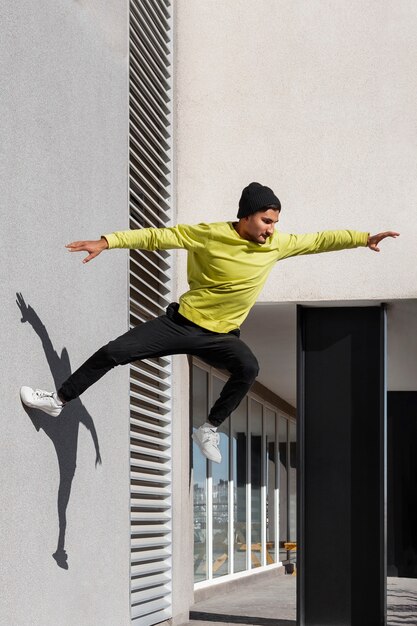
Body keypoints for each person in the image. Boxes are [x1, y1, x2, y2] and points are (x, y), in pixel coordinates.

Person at [20, 182, 399, 463]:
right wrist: (108, 241)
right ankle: (58, 400)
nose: (271, 229)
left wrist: (363, 238)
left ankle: (208, 429)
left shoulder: (277, 245)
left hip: (221, 337)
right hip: (181, 324)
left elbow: (318, 240)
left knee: (248, 365)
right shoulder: (209, 235)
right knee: (115, 351)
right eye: (266, 220)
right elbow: (158, 236)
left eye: (275, 222)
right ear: (246, 216)